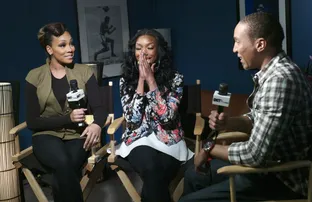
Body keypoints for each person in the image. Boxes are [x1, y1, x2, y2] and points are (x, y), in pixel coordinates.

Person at [179, 12, 312, 202]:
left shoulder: (280, 80)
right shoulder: (272, 74)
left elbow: (255, 155)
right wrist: (229, 122)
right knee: (193, 176)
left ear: (260, 44)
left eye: (238, 42)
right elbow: (256, 119)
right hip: (267, 170)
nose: (234, 49)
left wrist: (208, 148)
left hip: (284, 179)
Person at [25, 22, 107, 202]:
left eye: (71, 43)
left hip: (78, 135)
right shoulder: (34, 76)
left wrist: (96, 125)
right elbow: (32, 122)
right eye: (62, 45)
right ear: (49, 49)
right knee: (63, 164)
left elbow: (100, 108)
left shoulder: (84, 72)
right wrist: (67, 118)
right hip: (45, 135)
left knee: (64, 168)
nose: (70, 49)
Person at [115, 29, 193, 202]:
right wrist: (141, 81)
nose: (143, 53)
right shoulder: (125, 80)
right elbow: (133, 120)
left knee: (156, 174)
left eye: (149, 47)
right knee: (151, 168)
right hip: (138, 138)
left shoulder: (175, 78)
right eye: (138, 48)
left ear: (159, 51)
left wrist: (151, 81)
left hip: (169, 138)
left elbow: (166, 118)